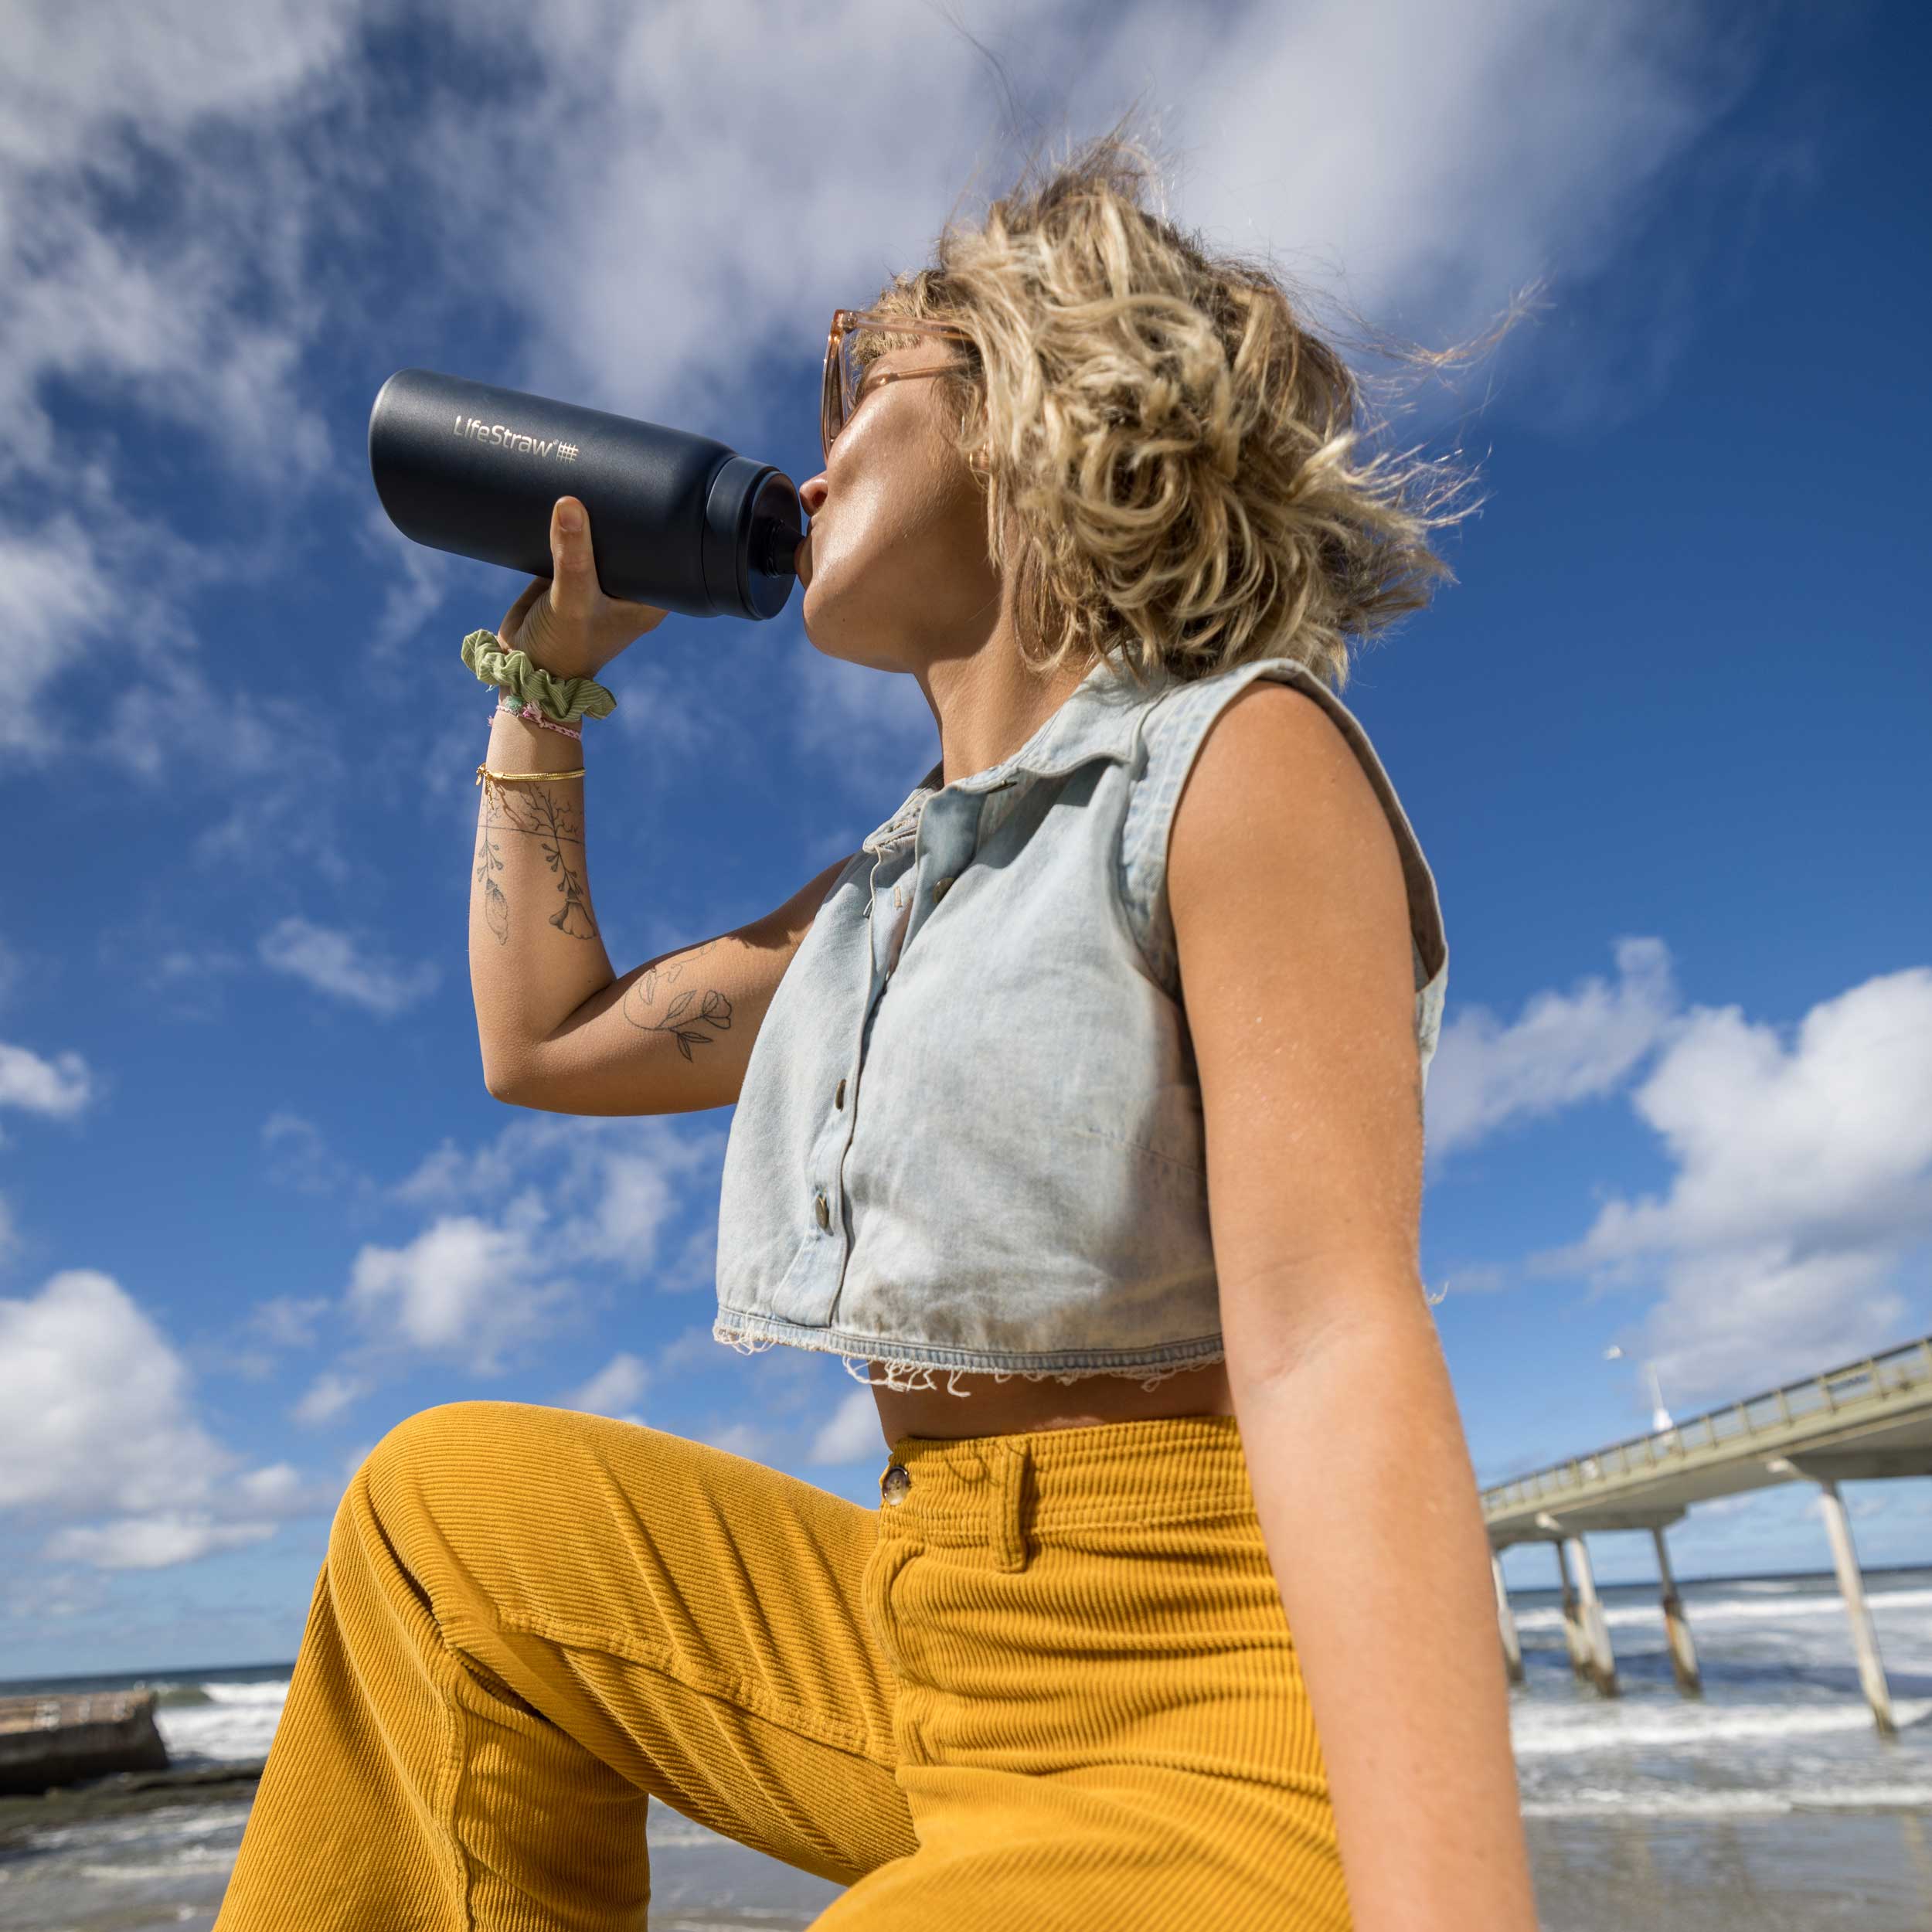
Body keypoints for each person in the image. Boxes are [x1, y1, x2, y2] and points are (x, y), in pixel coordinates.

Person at [216, 121, 1538, 1932]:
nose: (813, 427)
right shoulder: (884, 902)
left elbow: (1328, 1341)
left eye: (866, 359)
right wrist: (543, 686)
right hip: (917, 1631)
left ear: (1038, 391)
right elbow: (541, 1039)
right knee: (441, 1518)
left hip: (1201, 1686)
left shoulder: (1231, 757)